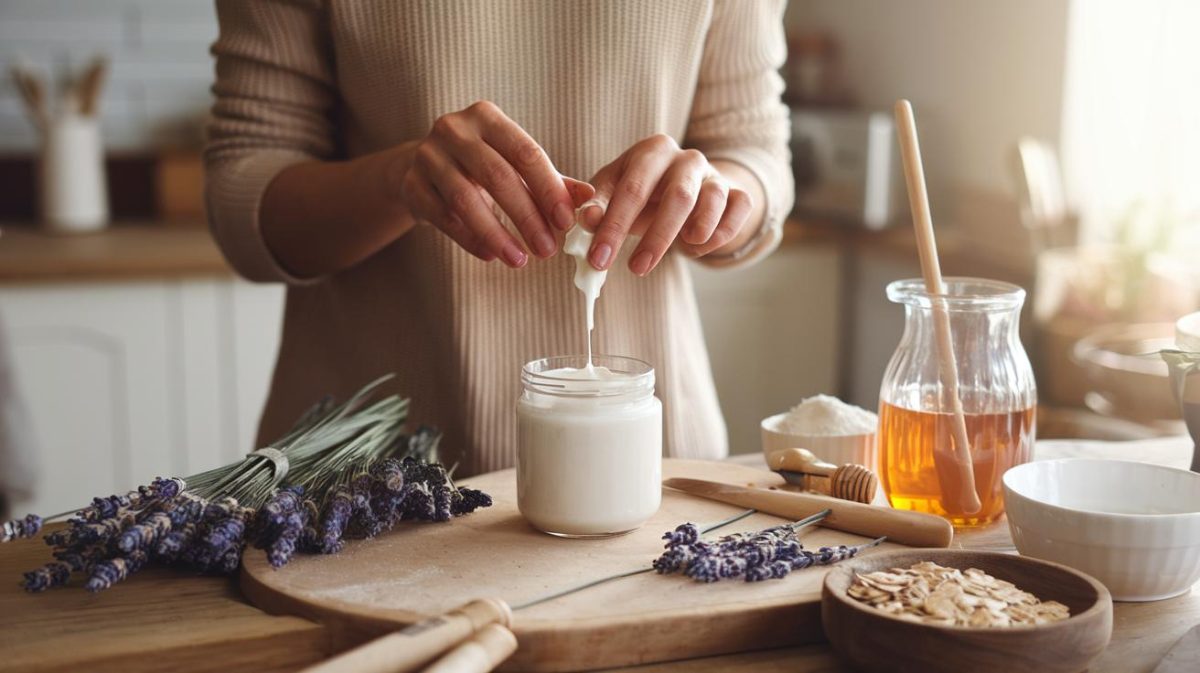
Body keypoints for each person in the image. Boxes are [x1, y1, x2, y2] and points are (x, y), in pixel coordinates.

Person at [205, 0, 794, 475]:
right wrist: (400, 180)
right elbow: (244, 203)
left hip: (652, 467)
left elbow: (755, 152)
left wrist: (714, 194)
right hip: (369, 467)